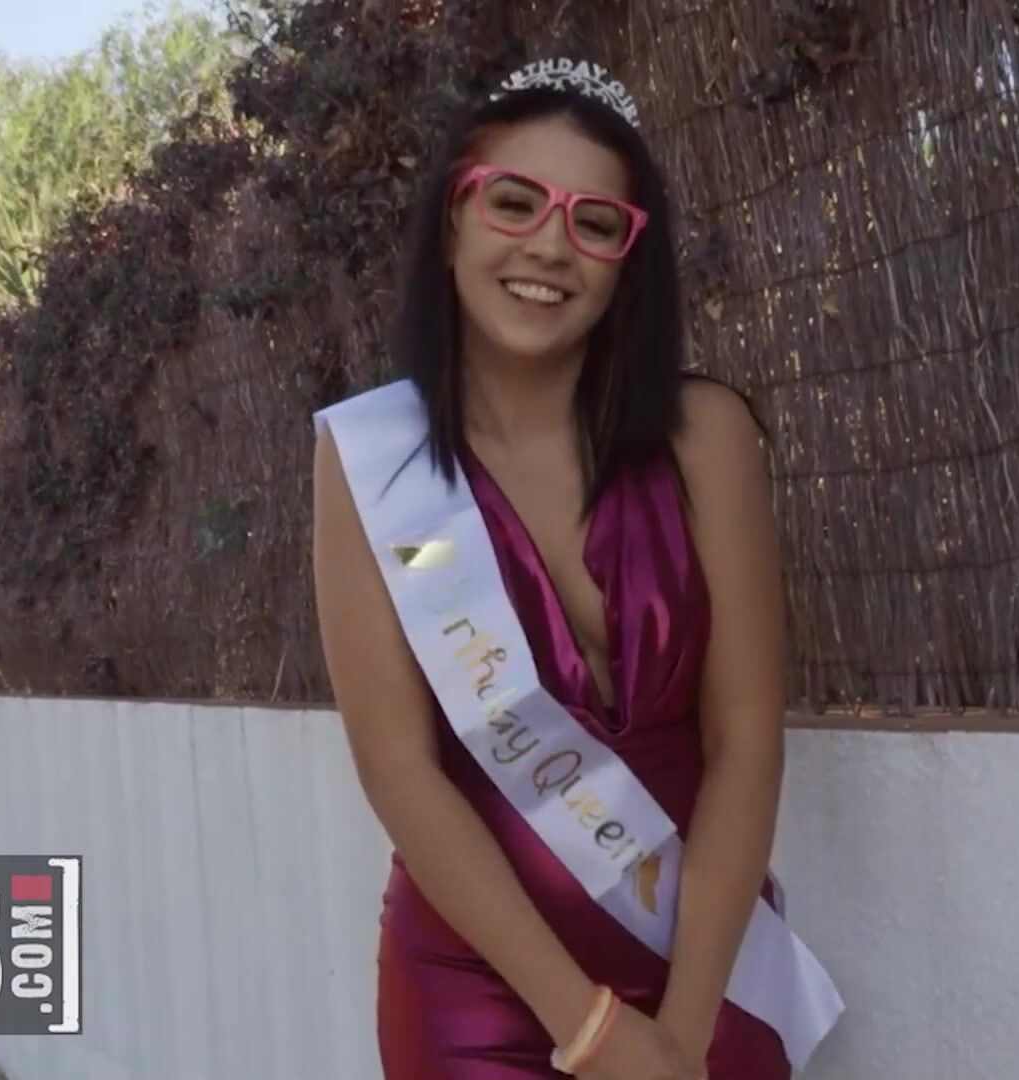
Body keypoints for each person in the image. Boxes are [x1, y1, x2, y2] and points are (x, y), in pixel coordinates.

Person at [310, 58, 841, 1080]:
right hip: (475, 993)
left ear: (627, 262)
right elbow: (400, 771)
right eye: (514, 203)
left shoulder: (705, 436)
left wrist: (682, 1037)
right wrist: (591, 1030)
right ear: (453, 222)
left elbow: (744, 741)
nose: (551, 246)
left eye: (596, 223)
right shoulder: (373, 460)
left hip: (706, 963)